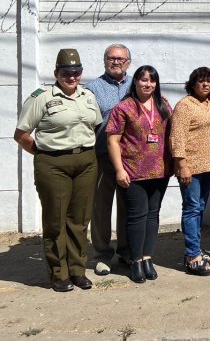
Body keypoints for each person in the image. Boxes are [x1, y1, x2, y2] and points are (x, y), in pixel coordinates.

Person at [14, 49, 102, 292]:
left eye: (76, 72)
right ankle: (58, 274)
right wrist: (45, 154)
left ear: (81, 73)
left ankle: (77, 270)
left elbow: (93, 126)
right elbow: (21, 135)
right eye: (66, 72)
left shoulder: (87, 96)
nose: (71, 77)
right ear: (56, 73)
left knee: (80, 220)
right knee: (55, 221)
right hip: (53, 164)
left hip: (85, 162)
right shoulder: (41, 97)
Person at [107, 65, 172, 283]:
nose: (148, 84)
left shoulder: (163, 104)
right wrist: (119, 170)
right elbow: (113, 141)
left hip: (160, 170)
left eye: (152, 80)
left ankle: (147, 258)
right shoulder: (124, 107)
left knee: (153, 215)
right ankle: (135, 260)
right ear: (134, 81)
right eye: (143, 80)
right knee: (136, 216)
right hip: (133, 172)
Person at [86, 43, 132, 276]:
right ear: (105, 61)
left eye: (120, 59)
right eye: (111, 58)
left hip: (131, 158)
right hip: (102, 155)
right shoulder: (92, 88)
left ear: (128, 63)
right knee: (101, 207)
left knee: (127, 206)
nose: (116, 62)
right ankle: (102, 254)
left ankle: (125, 251)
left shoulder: (138, 84)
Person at [169, 67, 210, 276]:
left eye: (209, 81)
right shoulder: (184, 106)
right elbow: (176, 138)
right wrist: (182, 165)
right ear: (192, 83)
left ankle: (196, 248)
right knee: (191, 209)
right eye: (201, 81)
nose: (205, 84)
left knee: (199, 208)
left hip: (207, 165)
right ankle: (192, 255)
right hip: (190, 166)